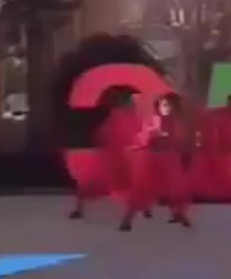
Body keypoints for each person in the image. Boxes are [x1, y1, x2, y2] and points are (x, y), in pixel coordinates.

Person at [68, 91, 150, 231]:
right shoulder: (127, 118)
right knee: (131, 188)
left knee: (94, 185)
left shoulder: (117, 119)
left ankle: (79, 210)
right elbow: (133, 135)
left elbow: (101, 136)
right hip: (120, 158)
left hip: (113, 158)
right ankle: (128, 219)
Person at [188, 93, 231, 222]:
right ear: (230, 102)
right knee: (194, 182)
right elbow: (208, 132)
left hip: (227, 156)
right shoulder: (217, 115)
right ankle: (183, 211)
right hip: (214, 154)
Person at [145, 93, 194, 227]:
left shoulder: (177, 121)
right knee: (155, 185)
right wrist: (157, 136)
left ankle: (179, 213)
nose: (168, 108)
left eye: (170, 105)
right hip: (158, 158)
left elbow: (181, 140)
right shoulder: (155, 121)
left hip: (172, 158)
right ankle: (147, 206)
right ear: (158, 107)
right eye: (164, 105)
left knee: (176, 188)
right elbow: (148, 138)